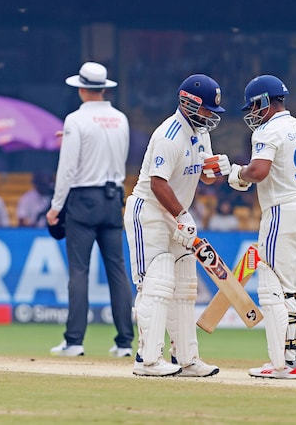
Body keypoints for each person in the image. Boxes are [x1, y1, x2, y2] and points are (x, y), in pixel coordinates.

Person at [124, 74, 225, 377]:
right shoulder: (169, 134)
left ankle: (187, 359)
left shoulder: (201, 131)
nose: (210, 116)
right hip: (151, 212)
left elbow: (202, 172)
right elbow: (157, 183)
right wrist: (182, 215)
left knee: (184, 288)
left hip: (175, 215)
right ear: (188, 103)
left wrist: (215, 169)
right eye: (207, 110)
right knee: (156, 284)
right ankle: (147, 359)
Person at [228, 75, 296, 379]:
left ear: (265, 102)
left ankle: (280, 364)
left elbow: (258, 171)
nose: (252, 113)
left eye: (253, 106)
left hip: (284, 210)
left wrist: (235, 173)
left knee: (274, 289)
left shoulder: (268, 130)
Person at [46, 62, 134, 358]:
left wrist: (56, 207)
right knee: (117, 270)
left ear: (82, 89)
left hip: (83, 199)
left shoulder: (75, 120)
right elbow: (115, 154)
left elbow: (68, 168)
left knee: (79, 271)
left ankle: (74, 341)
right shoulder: (120, 119)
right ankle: (124, 342)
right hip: (113, 198)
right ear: (104, 88)